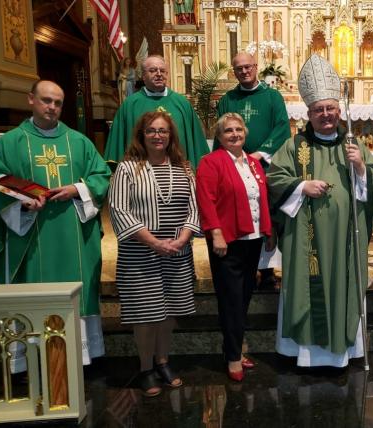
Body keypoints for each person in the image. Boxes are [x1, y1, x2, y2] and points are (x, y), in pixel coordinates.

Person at [267, 54, 373, 368]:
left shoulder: (354, 145)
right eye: (319, 109)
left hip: (344, 240)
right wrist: (300, 186)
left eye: (330, 108)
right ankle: (306, 357)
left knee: (342, 286)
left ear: (339, 111)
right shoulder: (294, 146)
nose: (326, 114)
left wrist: (361, 168)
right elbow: (274, 180)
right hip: (306, 242)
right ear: (308, 113)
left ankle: (341, 356)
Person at [0, 80, 112, 365]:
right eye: (46, 100)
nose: (52, 107)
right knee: (33, 289)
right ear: (31, 99)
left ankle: (78, 358)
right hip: (31, 234)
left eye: (57, 103)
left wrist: (76, 189)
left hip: (73, 233)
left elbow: (101, 176)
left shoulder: (79, 142)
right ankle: (31, 358)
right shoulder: (10, 143)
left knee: (76, 287)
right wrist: (22, 202)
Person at [108, 111, 200, 396]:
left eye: (163, 131)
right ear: (142, 135)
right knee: (146, 314)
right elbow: (119, 209)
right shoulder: (127, 169)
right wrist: (154, 242)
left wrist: (183, 238)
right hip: (140, 254)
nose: (158, 136)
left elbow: (194, 207)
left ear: (171, 136)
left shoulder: (183, 168)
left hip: (177, 252)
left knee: (169, 311)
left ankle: (163, 361)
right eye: (151, 130)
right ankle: (146, 367)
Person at [196, 113, 273, 382]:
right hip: (227, 242)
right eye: (228, 130)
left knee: (244, 297)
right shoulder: (211, 162)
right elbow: (206, 199)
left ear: (245, 133)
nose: (234, 134)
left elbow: (262, 198)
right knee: (231, 300)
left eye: (238, 129)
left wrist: (268, 230)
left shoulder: (253, 162)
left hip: (253, 239)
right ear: (219, 136)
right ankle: (232, 356)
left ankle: (236, 348)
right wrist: (215, 233)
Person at [216, 52, 291, 289]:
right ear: (234, 71)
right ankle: (246, 267)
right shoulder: (228, 99)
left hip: (265, 166)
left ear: (256, 67)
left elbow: (282, 127)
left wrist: (259, 154)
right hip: (233, 166)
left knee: (265, 215)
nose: (244, 71)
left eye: (248, 67)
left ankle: (267, 270)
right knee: (241, 212)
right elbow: (220, 132)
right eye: (239, 68)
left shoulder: (272, 96)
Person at [105, 55, 209, 169]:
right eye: (153, 70)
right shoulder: (130, 105)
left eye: (162, 71)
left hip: (178, 171)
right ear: (143, 76)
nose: (159, 74)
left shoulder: (182, 103)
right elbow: (117, 145)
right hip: (139, 173)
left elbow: (197, 145)